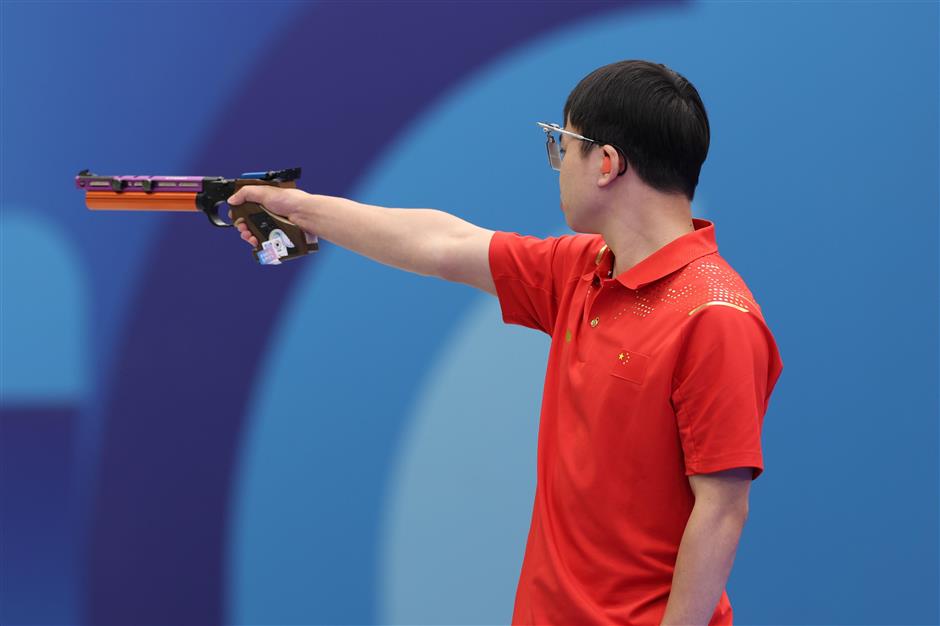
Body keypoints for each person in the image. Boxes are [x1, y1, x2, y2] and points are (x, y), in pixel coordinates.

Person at [228, 59, 783, 626]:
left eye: (563, 146)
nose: (558, 165)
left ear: (607, 164)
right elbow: (445, 244)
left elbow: (721, 510)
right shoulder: (583, 270)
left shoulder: (717, 317)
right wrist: (302, 209)